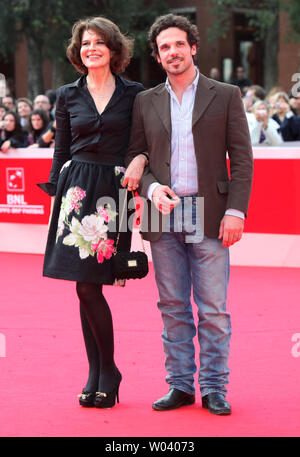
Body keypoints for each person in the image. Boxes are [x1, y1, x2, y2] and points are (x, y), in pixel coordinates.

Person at [124, 14, 253, 416]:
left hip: (211, 212)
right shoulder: (145, 101)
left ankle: (214, 387)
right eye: (165, 47)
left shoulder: (226, 94)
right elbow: (135, 157)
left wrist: (236, 211)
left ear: (193, 47)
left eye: (179, 44)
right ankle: (180, 384)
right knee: (173, 306)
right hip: (163, 214)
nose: (173, 52)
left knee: (213, 308)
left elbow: (243, 161)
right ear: (158, 56)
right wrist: (149, 187)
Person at [38, 16, 145, 409]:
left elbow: (144, 140)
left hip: (115, 192)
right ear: (77, 51)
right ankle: (98, 372)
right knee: (84, 286)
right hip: (77, 191)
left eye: (99, 42)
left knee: (92, 284)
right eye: (85, 43)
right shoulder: (68, 94)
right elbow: (61, 148)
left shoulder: (135, 93)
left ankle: (107, 371)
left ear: (113, 50)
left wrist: (142, 161)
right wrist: (55, 190)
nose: (91, 48)